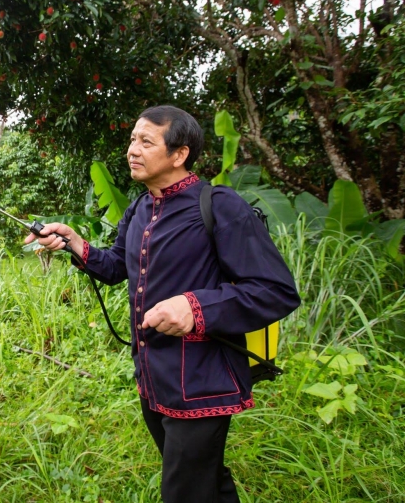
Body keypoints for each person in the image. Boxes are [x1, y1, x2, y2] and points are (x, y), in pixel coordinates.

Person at [25, 105, 301, 503]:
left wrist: (194, 307)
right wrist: (75, 242)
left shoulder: (219, 205)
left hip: (203, 381)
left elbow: (275, 290)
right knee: (205, 481)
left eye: (146, 141)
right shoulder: (140, 208)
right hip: (153, 376)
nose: (132, 150)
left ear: (179, 154)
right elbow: (117, 266)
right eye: (132, 139)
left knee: (184, 491)